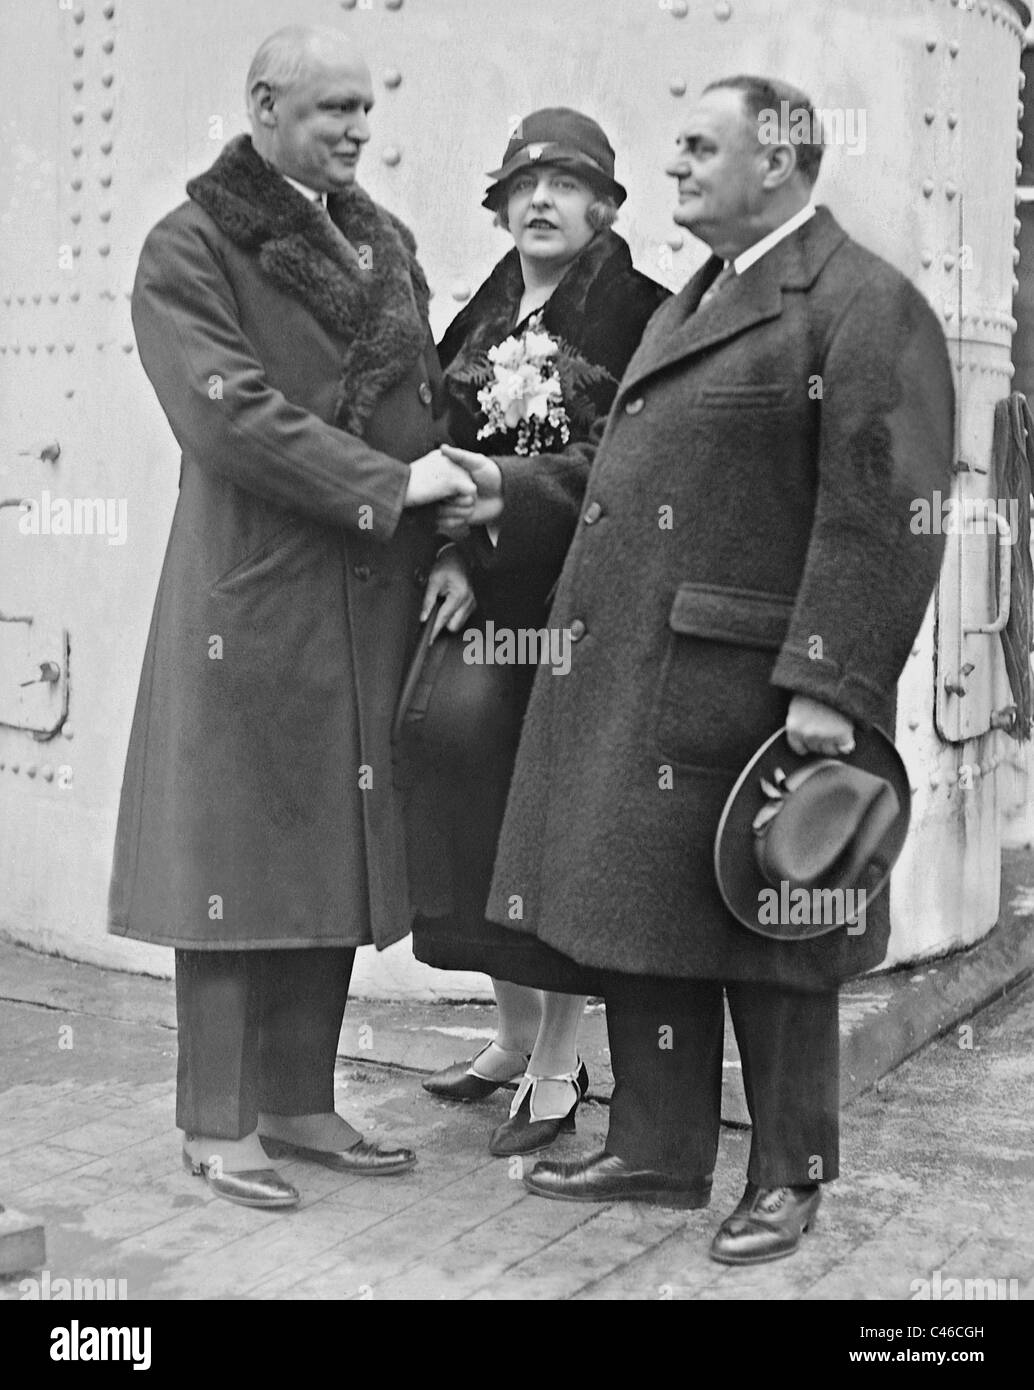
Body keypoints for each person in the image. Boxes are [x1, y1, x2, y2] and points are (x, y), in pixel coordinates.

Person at [466, 75, 954, 1262]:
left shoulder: (859, 304)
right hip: (643, 674)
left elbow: (890, 511)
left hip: (756, 686)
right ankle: (659, 1145)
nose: (670, 167)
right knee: (642, 915)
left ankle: (788, 1174)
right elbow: (622, 477)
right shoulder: (699, 294)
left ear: (777, 161)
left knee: (776, 927)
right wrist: (501, 485)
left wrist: (829, 686)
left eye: (695, 147)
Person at [108, 25, 476, 1210]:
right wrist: (387, 488)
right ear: (263, 106)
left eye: (366, 110)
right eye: (333, 111)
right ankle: (218, 1121)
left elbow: (414, 404)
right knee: (231, 856)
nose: (359, 130)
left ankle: (300, 1102)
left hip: (361, 597)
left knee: (327, 845)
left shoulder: (381, 245)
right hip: (252, 597)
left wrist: (461, 517)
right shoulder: (190, 246)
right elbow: (228, 415)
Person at [412, 109, 669, 1156]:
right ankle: (513, 1035)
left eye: (565, 184)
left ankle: (565, 1063)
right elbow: (432, 444)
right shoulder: (480, 314)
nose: (540, 202)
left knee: (557, 831)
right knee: (467, 804)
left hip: (580, 612)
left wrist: (507, 503)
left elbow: (634, 463)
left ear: (605, 206)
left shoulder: (641, 314)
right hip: (484, 603)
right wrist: (445, 554)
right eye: (523, 185)